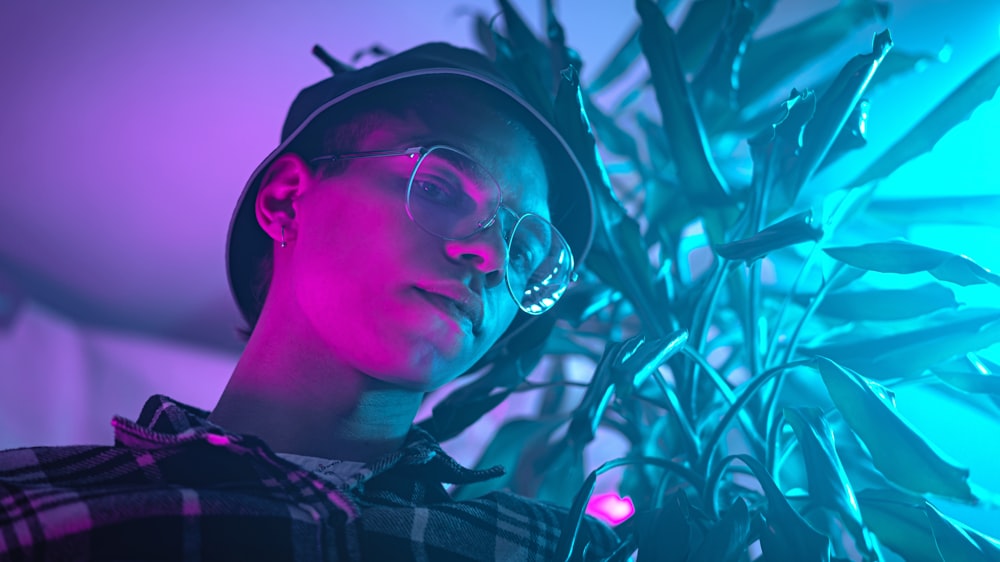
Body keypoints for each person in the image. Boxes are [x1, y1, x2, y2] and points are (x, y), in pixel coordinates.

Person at [0, 42, 620, 560]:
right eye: (438, 187)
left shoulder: (557, 549)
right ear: (286, 200)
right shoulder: (31, 507)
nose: (489, 257)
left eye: (521, 253)